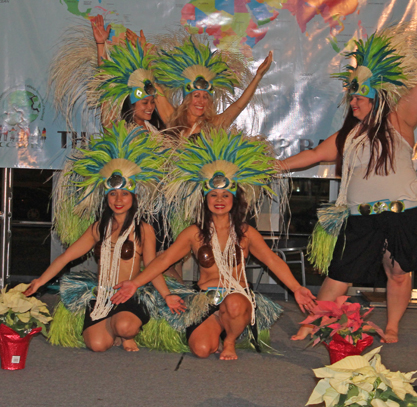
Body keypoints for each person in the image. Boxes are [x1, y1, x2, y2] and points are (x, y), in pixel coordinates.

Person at [279, 27, 417, 344]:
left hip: (404, 212)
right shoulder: (348, 135)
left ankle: (393, 327)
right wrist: (275, 166)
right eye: (352, 96)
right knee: (339, 272)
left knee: (398, 272)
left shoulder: (399, 121)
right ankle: (311, 324)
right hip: (362, 217)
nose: (353, 101)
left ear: (376, 97)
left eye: (359, 96)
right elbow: (313, 155)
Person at [111, 129, 317, 360]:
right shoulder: (193, 234)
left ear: (234, 199)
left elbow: (271, 260)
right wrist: (135, 283)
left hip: (236, 296)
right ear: (205, 199)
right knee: (201, 350)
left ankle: (229, 340)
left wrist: (296, 288)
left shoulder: (246, 233)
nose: (219, 200)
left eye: (225, 195)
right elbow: (163, 260)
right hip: (205, 298)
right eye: (214, 196)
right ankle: (219, 326)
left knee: (236, 305)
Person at [25, 122, 185, 352]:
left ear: (134, 197)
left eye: (124, 194)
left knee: (126, 327)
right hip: (102, 297)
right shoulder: (99, 228)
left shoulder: (143, 229)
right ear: (106, 197)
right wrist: (40, 281)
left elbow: (153, 266)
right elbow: (66, 258)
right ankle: (112, 327)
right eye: (112, 194)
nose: (118, 199)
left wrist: (167, 296)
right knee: (97, 345)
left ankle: (126, 332)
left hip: (130, 293)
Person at [154, 37, 273, 137]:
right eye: (197, 95)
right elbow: (154, 87)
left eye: (205, 97)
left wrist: (258, 76)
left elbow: (239, 105)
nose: (201, 101)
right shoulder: (172, 119)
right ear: (187, 98)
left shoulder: (213, 125)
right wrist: (143, 55)